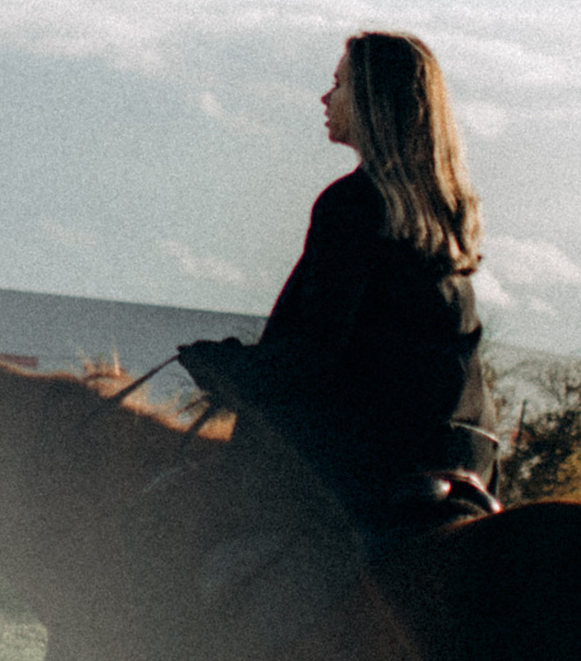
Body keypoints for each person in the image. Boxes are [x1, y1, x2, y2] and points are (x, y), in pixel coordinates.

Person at [177, 30, 498, 530]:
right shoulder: (447, 213)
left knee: (218, 549)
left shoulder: (353, 204)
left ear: (373, 100)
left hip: (378, 457)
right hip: (470, 455)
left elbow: (316, 354)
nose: (326, 98)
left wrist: (224, 366)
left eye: (339, 84)